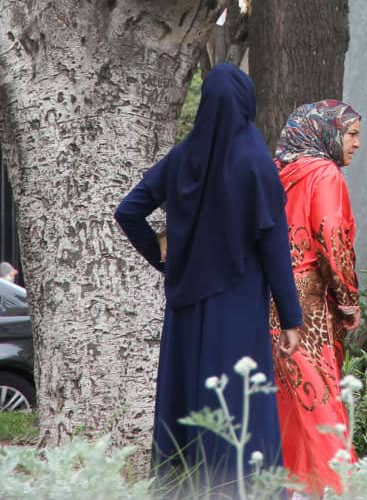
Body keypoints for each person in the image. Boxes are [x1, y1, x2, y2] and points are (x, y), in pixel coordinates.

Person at [114, 64, 303, 482]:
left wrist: (163, 256)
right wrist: (290, 317)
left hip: (185, 308)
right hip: (237, 308)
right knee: (238, 405)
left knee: (189, 400)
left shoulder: (186, 155)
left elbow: (128, 212)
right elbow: (274, 247)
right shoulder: (257, 162)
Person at [271, 99, 361, 496]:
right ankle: (337, 486)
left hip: (269, 297)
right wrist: (348, 299)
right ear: (328, 132)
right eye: (353, 134)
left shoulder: (281, 171)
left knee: (285, 399)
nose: (357, 143)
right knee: (320, 399)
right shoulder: (324, 173)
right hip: (306, 303)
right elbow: (331, 237)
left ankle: (292, 486)